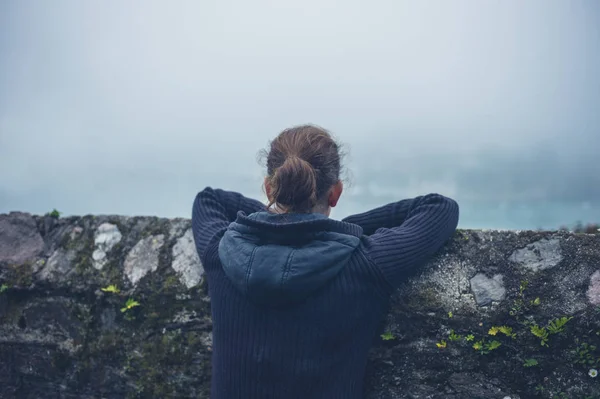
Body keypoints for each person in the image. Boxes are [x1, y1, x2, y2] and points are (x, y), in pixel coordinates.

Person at [191, 124, 459, 399]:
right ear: (336, 192)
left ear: (270, 188)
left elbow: (210, 199)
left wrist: (277, 217)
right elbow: (439, 209)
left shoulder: (220, 253)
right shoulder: (366, 264)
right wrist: (342, 228)